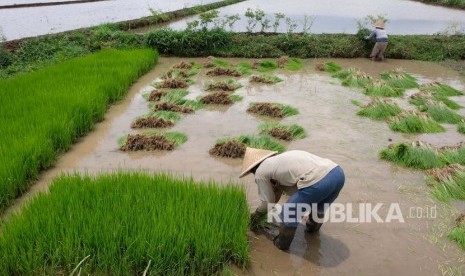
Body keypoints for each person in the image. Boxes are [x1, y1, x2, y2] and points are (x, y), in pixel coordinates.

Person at [239, 147, 345, 250]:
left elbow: (268, 202)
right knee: (318, 207)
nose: (254, 174)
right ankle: (312, 233)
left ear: (253, 168)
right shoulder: (280, 161)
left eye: (252, 172)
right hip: (337, 173)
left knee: (288, 212)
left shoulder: (260, 172)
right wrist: (269, 209)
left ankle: (282, 245)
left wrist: (257, 215)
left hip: (319, 181)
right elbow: (276, 194)